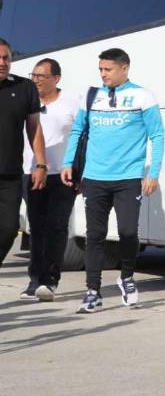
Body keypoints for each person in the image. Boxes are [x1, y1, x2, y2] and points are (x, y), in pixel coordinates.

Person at [62, 48, 164, 313]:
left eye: (108, 69)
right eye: (100, 69)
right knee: (94, 236)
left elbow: (158, 135)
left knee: (128, 232)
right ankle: (93, 291)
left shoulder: (142, 96)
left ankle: (127, 277)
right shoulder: (91, 96)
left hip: (128, 178)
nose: (103, 74)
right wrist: (68, 163)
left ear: (124, 68)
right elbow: (77, 130)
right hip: (94, 178)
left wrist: (153, 174)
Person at [20, 58, 80, 302]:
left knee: (56, 227)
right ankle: (35, 280)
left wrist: (79, 170)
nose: (35, 80)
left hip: (62, 175)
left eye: (41, 76)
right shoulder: (26, 101)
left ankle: (50, 280)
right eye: (33, 75)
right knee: (36, 227)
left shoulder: (72, 103)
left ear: (56, 79)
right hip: (30, 172)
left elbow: (83, 138)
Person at [0, 38, 48, 270]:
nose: (2, 62)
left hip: (10, 175)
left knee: (9, 229)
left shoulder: (24, 88)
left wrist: (41, 164)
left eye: (6, 58)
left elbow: (34, 128)